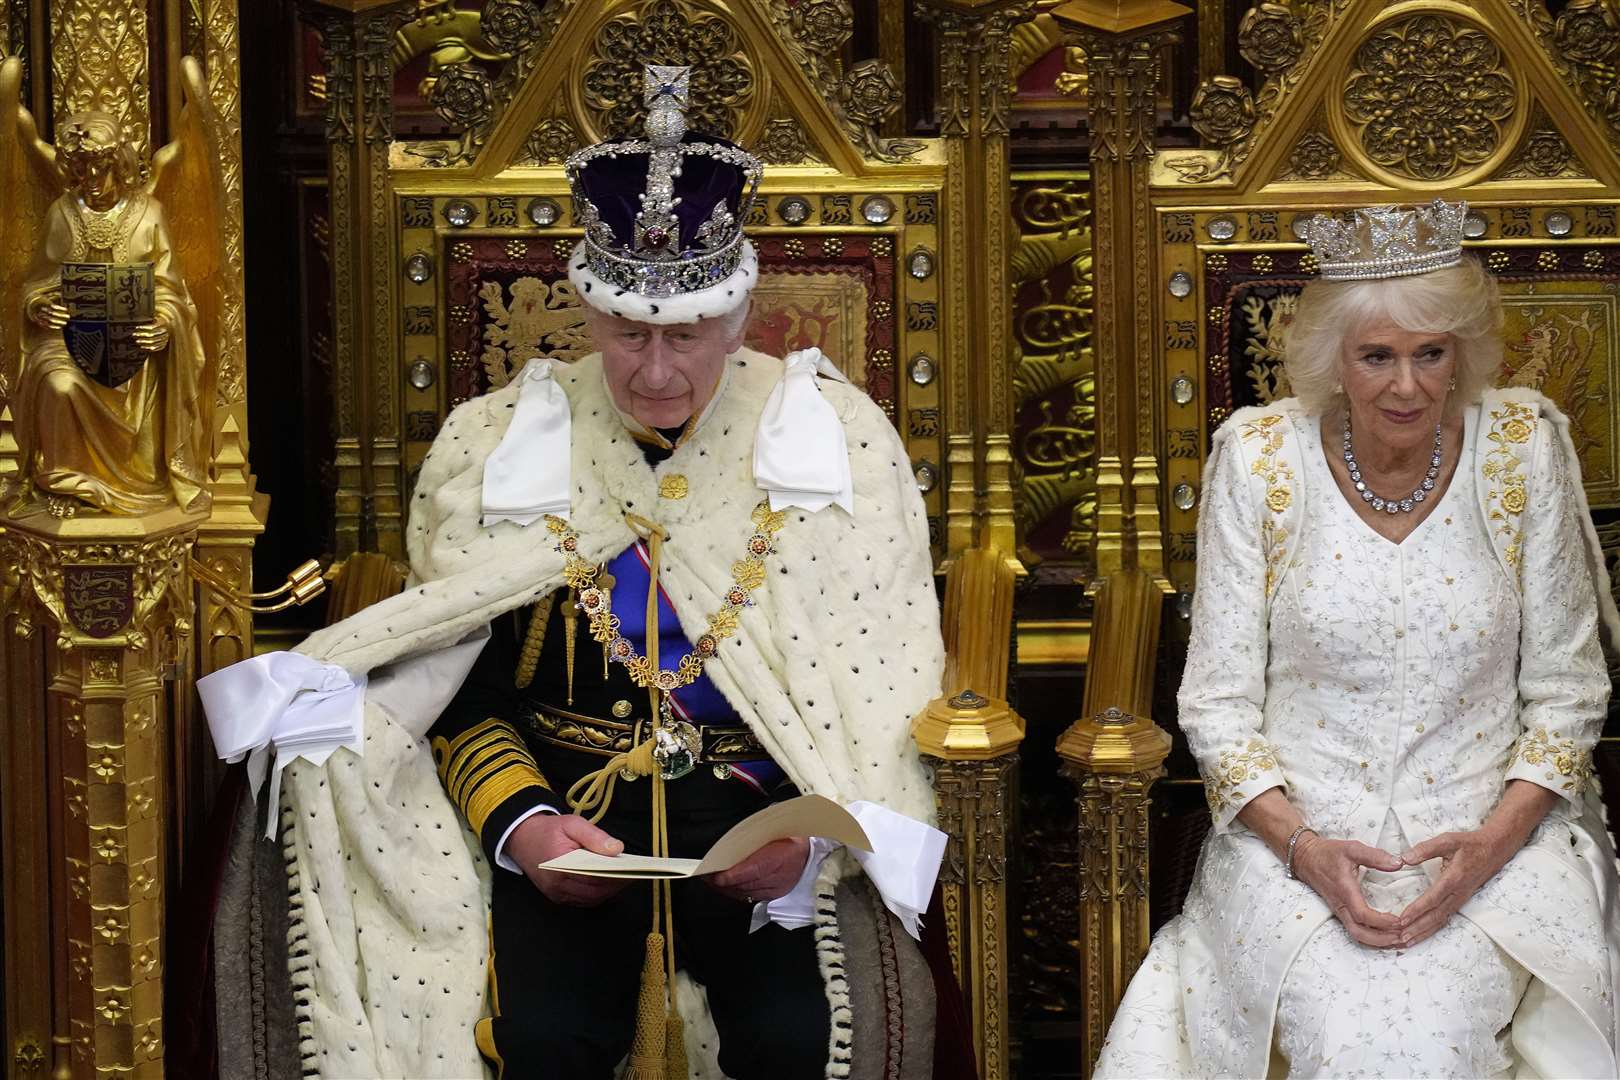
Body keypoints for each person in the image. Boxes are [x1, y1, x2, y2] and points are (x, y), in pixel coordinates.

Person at [200, 65, 949, 1080]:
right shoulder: (496, 442)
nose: (652, 369)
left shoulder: (836, 442)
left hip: (759, 831)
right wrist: (523, 828)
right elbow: (452, 692)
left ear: (739, 319)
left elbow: (881, 685)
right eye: (624, 333)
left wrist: (809, 848)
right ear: (583, 311)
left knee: (796, 1044)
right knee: (539, 1045)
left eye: (684, 335)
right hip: (567, 822)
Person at [1096, 199, 1620, 1079]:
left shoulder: (1522, 448)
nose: (1407, 386)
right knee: (1347, 1035)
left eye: (1431, 354)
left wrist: (1487, 850)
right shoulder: (1260, 458)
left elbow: (1569, 696)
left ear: (1463, 353)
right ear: (1332, 360)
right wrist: (1305, 849)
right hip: (1294, 851)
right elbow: (1217, 706)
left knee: (1428, 1038)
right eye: (1377, 356)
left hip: (1496, 850)